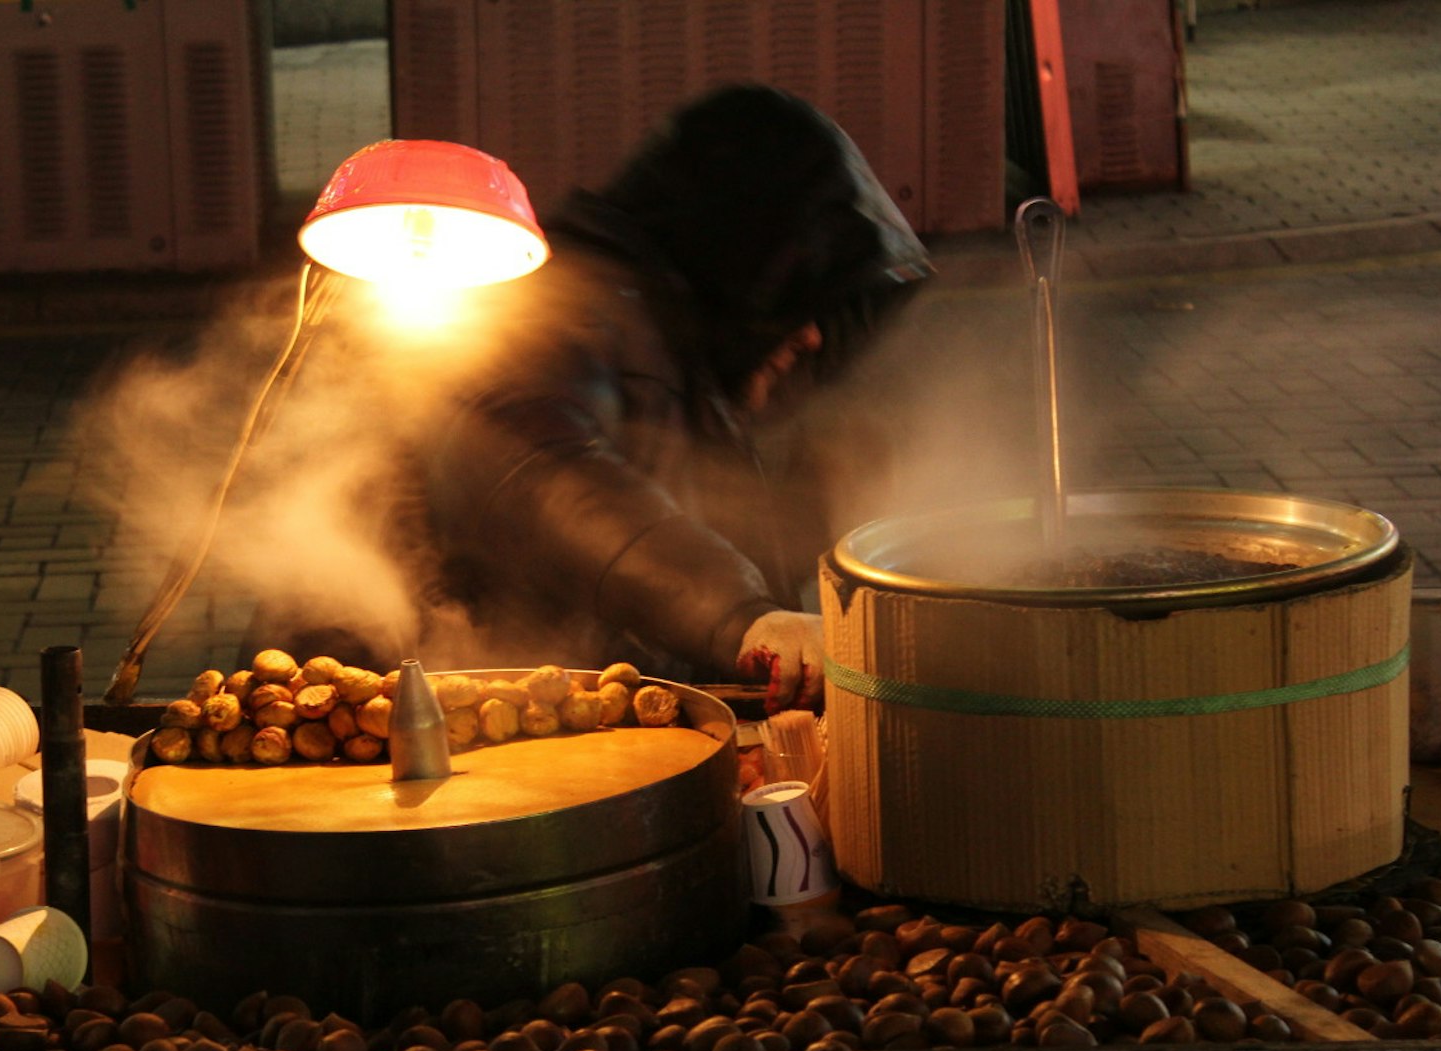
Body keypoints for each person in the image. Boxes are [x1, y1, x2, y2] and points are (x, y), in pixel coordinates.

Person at [241, 83, 931, 709]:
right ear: (743, 254)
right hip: (369, 735)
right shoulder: (555, 305)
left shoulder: (673, 332)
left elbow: (673, 503)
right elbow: (536, 467)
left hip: (502, 722)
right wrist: (741, 618)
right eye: (799, 290)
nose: (811, 336)